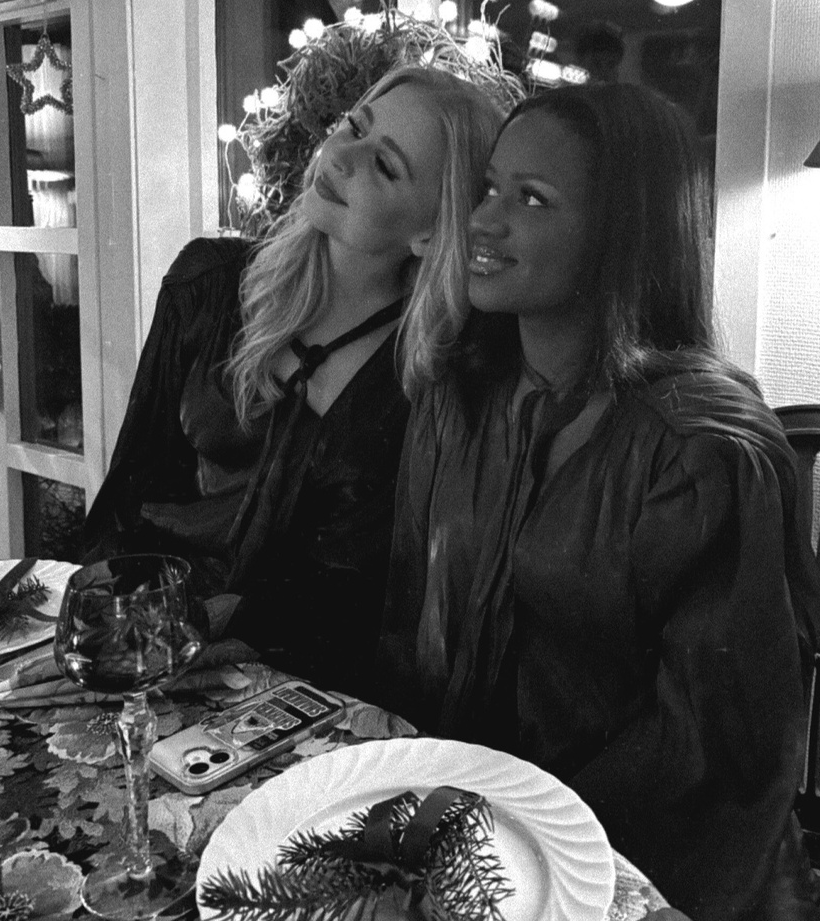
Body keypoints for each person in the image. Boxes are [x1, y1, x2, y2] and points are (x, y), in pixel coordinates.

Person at [377, 84, 820, 920]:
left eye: (531, 199)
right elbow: (411, 616)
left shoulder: (703, 452)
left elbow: (712, 756)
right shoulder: (459, 398)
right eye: (488, 188)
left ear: (621, 233)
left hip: (642, 871)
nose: (481, 220)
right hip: (468, 837)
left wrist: (518, 836)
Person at [82, 64, 504, 697]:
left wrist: (221, 627)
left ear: (429, 231)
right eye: (354, 126)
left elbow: (359, 596)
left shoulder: (422, 379)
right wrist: (108, 624)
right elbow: (128, 491)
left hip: (292, 685)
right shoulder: (208, 285)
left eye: (385, 165)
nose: (341, 156)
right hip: (141, 638)